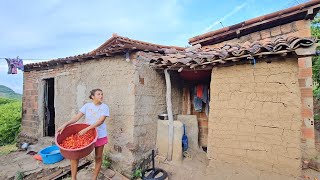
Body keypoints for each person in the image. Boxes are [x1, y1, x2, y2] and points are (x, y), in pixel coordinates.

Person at [57, 89, 109, 180]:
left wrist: (87, 129)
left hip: (100, 134)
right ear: (93, 96)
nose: (101, 96)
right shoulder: (87, 106)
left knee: (98, 157)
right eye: (98, 94)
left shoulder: (104, 107)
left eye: (102, 94)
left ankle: (94, 178)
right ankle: (73, 178)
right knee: (74, 156)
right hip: (87, 136)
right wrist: (64, 125)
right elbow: (76, 118)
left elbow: (101, 121)